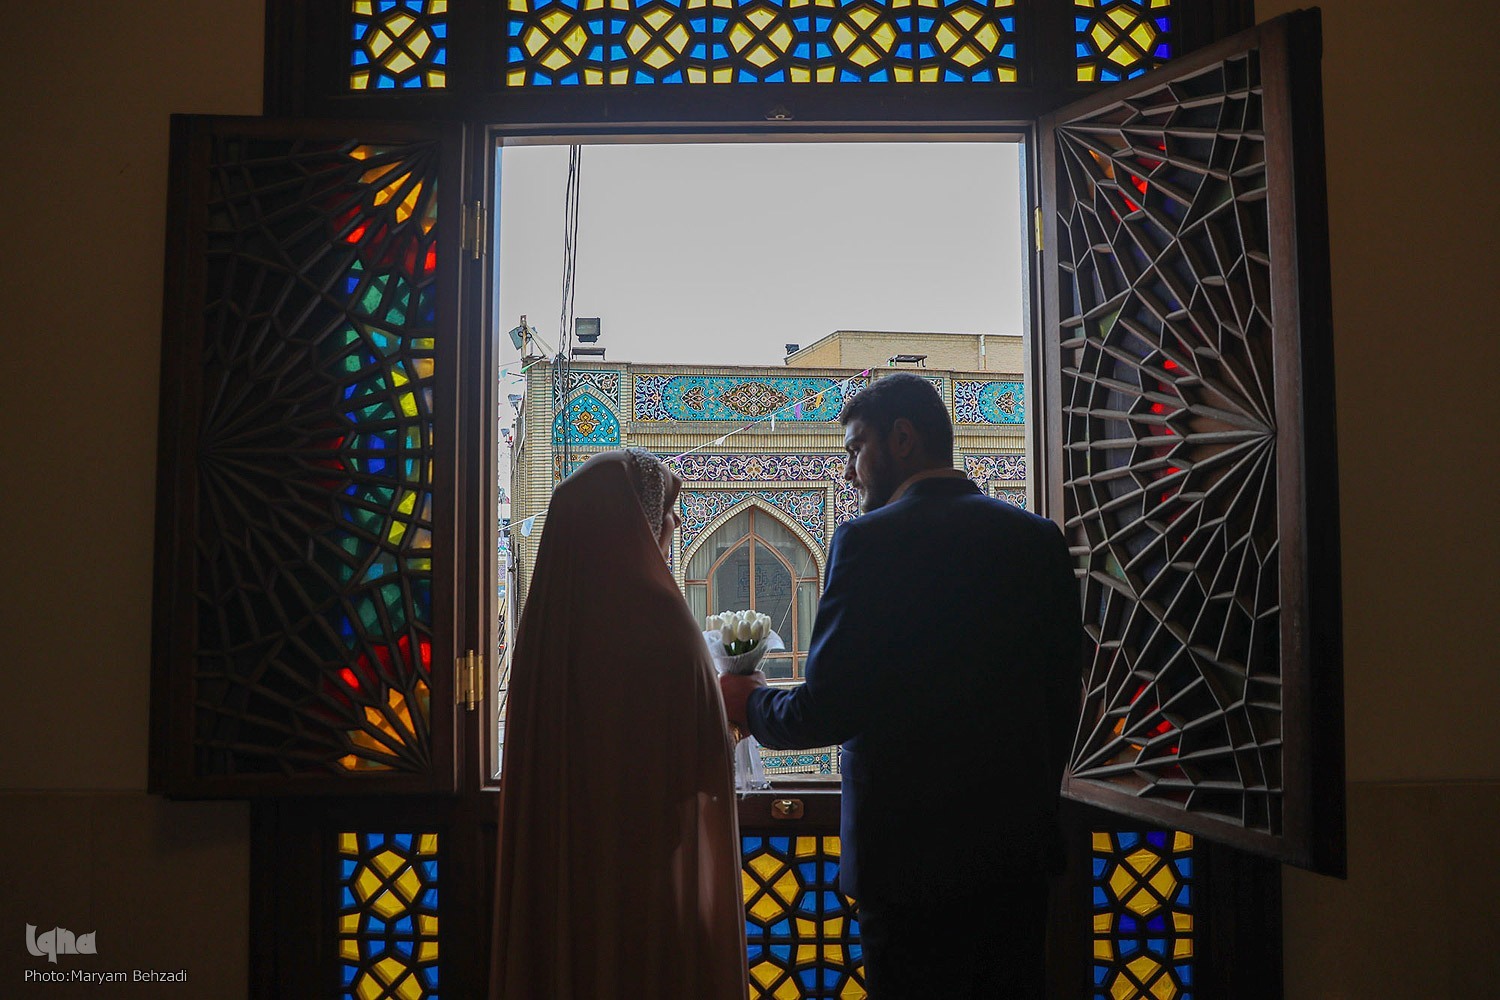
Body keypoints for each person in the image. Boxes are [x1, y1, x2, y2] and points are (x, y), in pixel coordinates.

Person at [720, 372, 1082, 998]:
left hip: (906, 871)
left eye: (857, 449)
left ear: (904, 439)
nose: (851, 472)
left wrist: (749, 702)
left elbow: (827, 709)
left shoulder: (868, 542)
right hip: (1014, 865)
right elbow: (1063, 699)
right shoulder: (1036, 540)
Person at [491, 449, 748, 1000]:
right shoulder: (662, 622)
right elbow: (699, 765)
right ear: (634, 518)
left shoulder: (546, 628)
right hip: (647, 882)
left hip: (565, 877)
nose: (677, 524)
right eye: (668, 509)